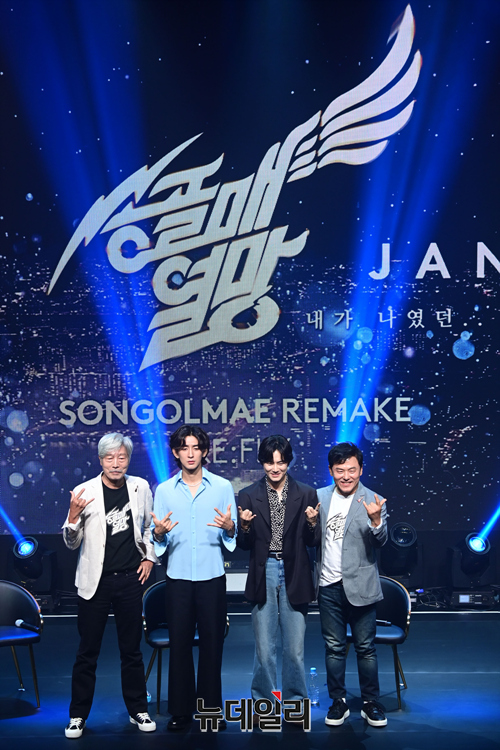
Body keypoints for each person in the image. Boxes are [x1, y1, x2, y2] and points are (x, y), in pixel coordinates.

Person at [62, 433, 157, 739]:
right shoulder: (84, 491)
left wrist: (149, 558)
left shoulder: (140, 487)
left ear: (128, 460)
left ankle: (138, 709)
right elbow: (71, 542)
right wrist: (73, 517)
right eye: (109, 458)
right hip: (95, 582)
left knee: (132, 651)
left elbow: (148, 527)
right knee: (87, 652)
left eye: (121, 457)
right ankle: (77, 715)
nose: (116, 464)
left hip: (130, 579)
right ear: (100, 460)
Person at [151, 425, 237, 731]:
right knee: (180, 645)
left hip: (212, 577)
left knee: (213, 646)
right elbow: (158, 540)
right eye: (184, 448)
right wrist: (158, 534)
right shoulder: (164, 490)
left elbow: (231, 539)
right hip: (178, 579)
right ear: (176, 453)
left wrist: (230, 528)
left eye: (196, 447)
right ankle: (180, 711)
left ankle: (210, 711)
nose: (190, 453)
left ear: (204, 451)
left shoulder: (222, 487)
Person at [237, 435, 320, 715]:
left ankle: (295, 705)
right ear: (262, 462)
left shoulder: (306, 493)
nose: (275, 468)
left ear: (288, 462)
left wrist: (312, 524)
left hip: (295, 571)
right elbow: (244, 545)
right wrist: (244, 528)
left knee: (294, 649)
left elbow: (312, 541)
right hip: (265, 570)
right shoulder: (248, 494)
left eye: (281, 462)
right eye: (270, 463)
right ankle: (265, 705)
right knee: (264, 648)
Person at [316, 441, 388, 728]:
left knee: (366, 648)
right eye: (340, 470)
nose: (346, 476)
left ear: (361, 470)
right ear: (331, 471)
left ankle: (371, 703)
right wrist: (310, 524)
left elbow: (381, 542)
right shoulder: (319, 497)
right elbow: (311, 539)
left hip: (361, 585)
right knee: (334, 647)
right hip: (328, 585)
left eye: (352, 470)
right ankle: (338, 701)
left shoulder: (374, 499)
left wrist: (376, 521)